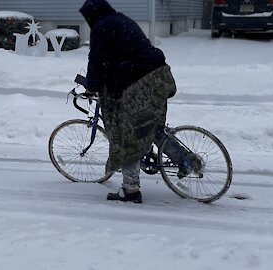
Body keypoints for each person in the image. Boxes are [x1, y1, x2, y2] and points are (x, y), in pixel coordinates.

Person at [79, 0, 199, 203]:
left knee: (129, 134)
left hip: (141, 82)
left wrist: (91, 87)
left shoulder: (101, 27)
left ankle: (130, 189)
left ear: (91, 15)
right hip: (159, 76)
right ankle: (186, 161)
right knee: (151, 127)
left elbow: (97, 60)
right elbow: (119, 55)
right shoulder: (120, 19)